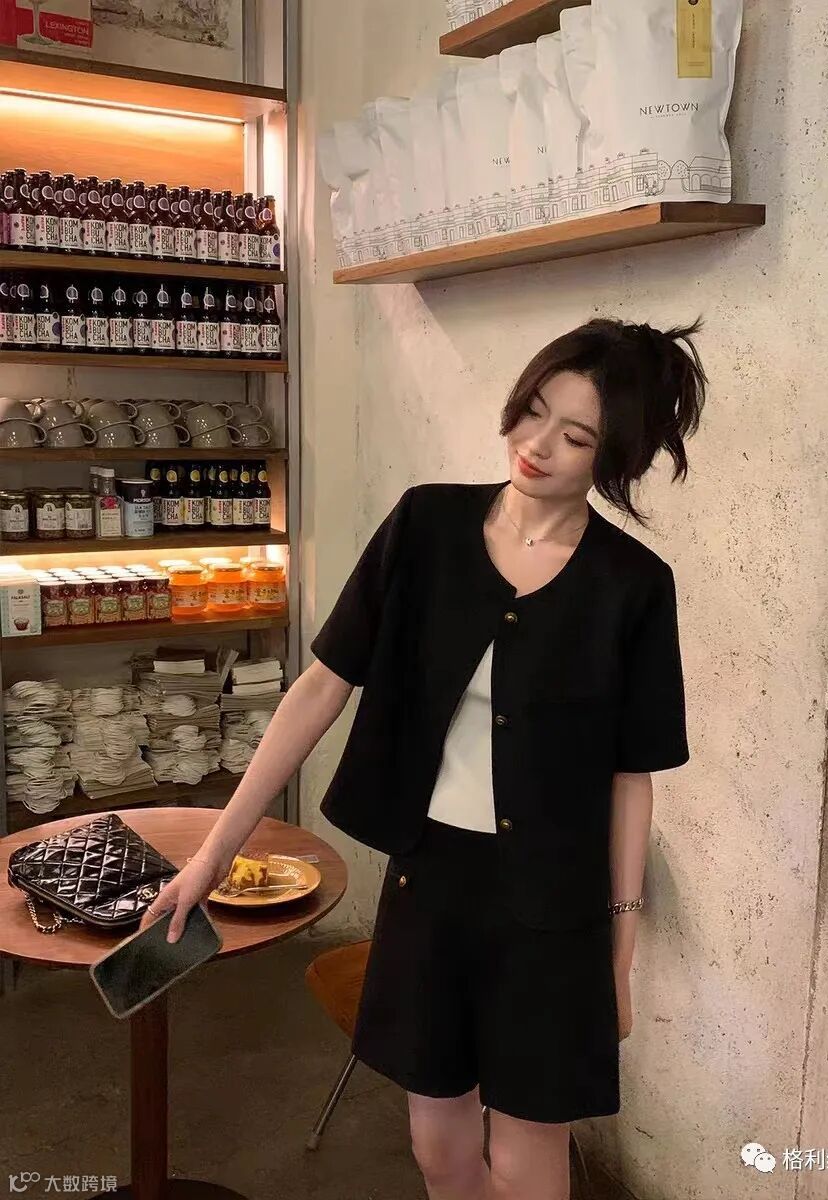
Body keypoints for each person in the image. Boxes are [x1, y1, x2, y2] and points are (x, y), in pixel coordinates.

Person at [140, 316, 706, 1200]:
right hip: (432, 882)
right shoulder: (428, 524)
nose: (536, 444)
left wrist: (620, 956)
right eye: (533, 410)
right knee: (437, 1146)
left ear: (615, 455)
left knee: (528, 1160)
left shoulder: (631, 584)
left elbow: (631, 778)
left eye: (576, 435)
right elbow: (320, 688)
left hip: (553, 908)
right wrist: (213, 855)